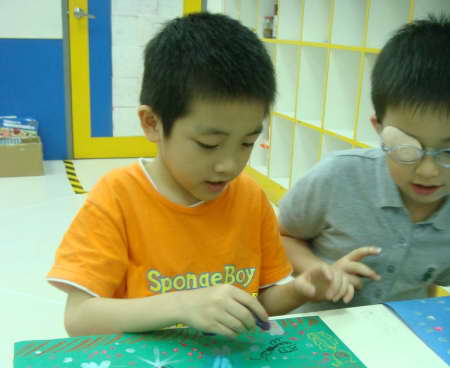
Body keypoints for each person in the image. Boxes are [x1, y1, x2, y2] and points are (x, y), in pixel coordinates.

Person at [47, 12, 354, 338]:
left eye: (247, 143)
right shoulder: (117, 197)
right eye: (209, 144)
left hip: (230, 363)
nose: (229, 166)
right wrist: (181, 305)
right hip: (151, 364)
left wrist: (301, 290)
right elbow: (79, 319)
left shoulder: (249, 197)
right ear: (152, 124)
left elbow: (258, 303)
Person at [278, 14, 450, 313]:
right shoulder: (337, 177)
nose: (428, 170)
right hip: (323, 328)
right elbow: (280, 236)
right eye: (408, 147)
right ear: (378, 127)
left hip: (400, 333)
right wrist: (319, 271)